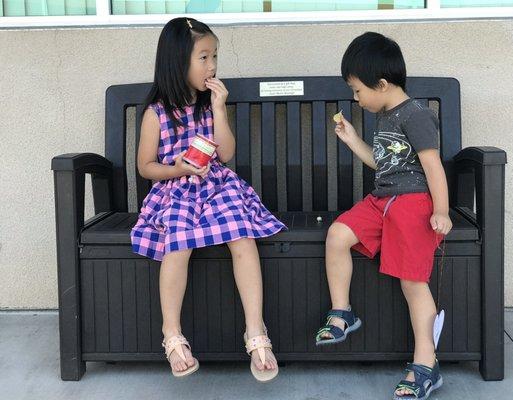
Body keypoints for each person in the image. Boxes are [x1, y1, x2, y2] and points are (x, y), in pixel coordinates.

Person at [131, 17, 286, 382]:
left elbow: (227, 154)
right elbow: (145, 167)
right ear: (177, 60)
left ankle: (255, 332)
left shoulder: (208, 105)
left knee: (242, 237)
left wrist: (219, 108)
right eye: (203, 57)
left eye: (214, 56)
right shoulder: (156, 114)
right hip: (176, 190)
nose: (212, 65)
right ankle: (172, 334)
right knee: (178, 244)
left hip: (217, 187)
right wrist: (179, 169)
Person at [315, 32, 452, 399]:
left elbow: (433, 166)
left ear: (382, 84)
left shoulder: (417, 115)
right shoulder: (386, 115)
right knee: (338, 234)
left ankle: (425, 364)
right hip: (381, 201)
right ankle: (342, 312)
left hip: (413, 205)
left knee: (412, 281)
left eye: (358, 91)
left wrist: (441, 209)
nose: (356, 98)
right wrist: (352, 139)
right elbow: (382, 164)